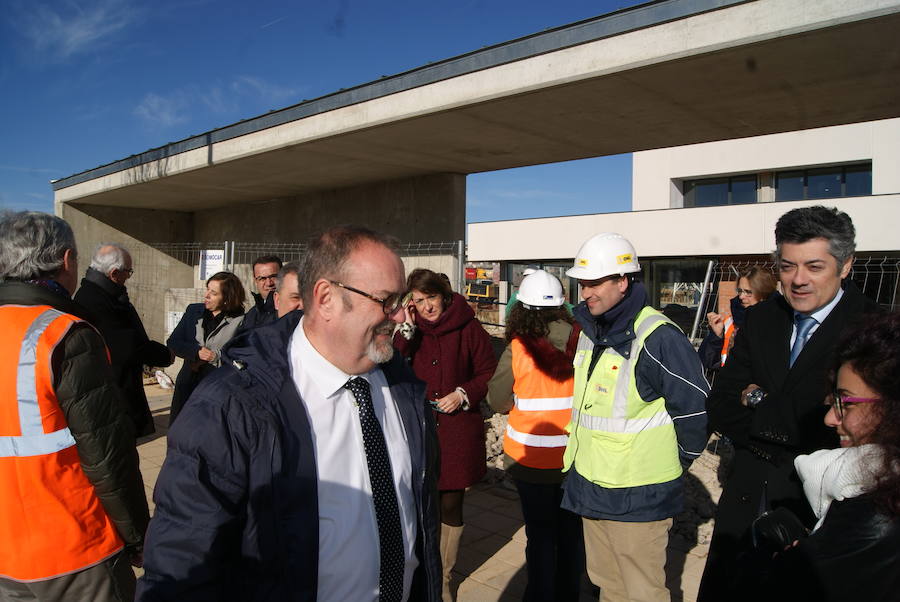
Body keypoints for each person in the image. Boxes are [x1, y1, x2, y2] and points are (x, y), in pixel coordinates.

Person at [137, 226, 441, 601]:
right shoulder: (231, 407)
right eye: (387, 301)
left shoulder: (404, 387)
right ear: (326, 297)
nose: (399, 317)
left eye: (402, 301)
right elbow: (179, 566)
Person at [698, 206, 881, 600]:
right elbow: (722, 405)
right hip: (744, 500)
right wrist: (788, 414)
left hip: (817, 514)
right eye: (787, 266)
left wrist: (758, 399)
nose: (797, 280)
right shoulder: (762, 318)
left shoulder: (874, 330)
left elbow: (860, 427)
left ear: (846, 265)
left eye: (814, 267)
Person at [0, 211, 149, 601]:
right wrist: (137, 536)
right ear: (67, 260)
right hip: (73, 549)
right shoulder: (64, 334)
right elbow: (107, 455)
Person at [560, 232, 709, 602]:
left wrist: (673, 463)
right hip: (592, 484)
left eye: (594, 283)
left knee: (642, 592)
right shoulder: (591, 330)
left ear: (623, 281)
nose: (585, 293)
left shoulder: (658, 336)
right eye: (582, 283)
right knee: (607, 585)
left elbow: (696, 408)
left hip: (639, 496)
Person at [394, 268, 497, 601]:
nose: (426, 307)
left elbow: (487, 372)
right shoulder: (412, 331)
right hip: (418, 429)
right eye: (419, 301)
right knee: (419, 503)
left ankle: (443, 579)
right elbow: (392, 365)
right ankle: (419, 570)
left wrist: (464, 393)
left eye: (431, 298)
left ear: (445, 295)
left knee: (450, 504)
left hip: (456, 432)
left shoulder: (469, 328)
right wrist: (406, 331)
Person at [487, 269, 585, 601]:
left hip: (529, 461)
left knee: (541, 537)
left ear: (522, 307)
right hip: (575, 460)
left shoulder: (519, 347)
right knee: (571, 536)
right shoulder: (583, 340)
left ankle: (540, 595)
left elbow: (497, 400)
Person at [73, 243, 174, 436]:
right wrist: (164, 355)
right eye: (128, 271)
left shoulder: (100, 293)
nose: (129, 276)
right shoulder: (96, 301)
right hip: (113, 398)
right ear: (114, 273)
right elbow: (128, 346)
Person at [166, 271, 245, 425]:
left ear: (227, 298)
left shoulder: (241, 321)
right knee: (179, 432)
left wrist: (215, 358)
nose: (206, 295)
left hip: (216, 389)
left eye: (213, 293)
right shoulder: (193, 312)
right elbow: (173, 342)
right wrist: (195, 352)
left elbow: (240, 359)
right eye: (207, 289)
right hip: (187, 383)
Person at [698, 266, 777, 370]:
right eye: (739, 291)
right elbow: (708, 363)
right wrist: (716, 336)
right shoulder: (729, 322)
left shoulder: (777, 323)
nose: (741, 296)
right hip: (728, 382)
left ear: (763, 293)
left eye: (748, 292)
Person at [239, 254, 282, 331]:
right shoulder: (251, 314)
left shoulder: (290, 310)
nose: (269, 283)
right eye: (262, 278)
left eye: (273, 276)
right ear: (255, 280)